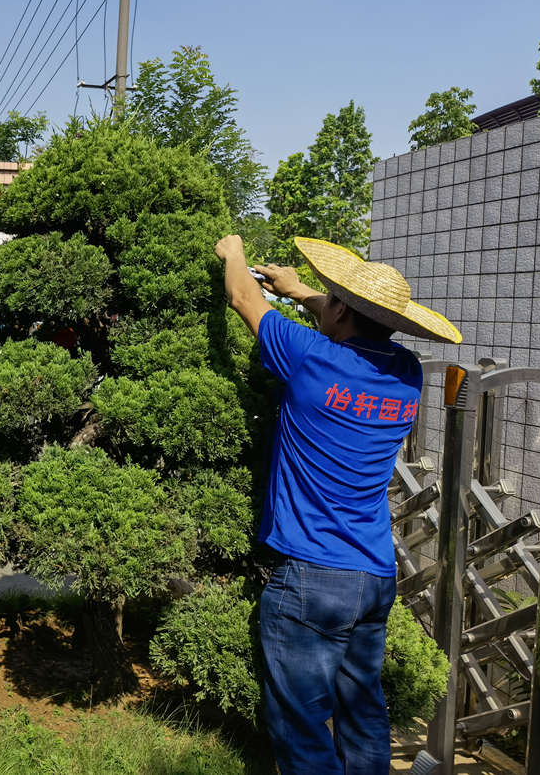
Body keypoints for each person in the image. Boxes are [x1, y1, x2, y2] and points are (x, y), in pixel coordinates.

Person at [214, 234, 461, 775]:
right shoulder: (407, 373)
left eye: (331, 298)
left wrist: (233, 252)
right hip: (373, 574)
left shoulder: (309, 358)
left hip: (312, 576)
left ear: (343, 310)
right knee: (363, 713)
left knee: (301, 729)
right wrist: (301, 289)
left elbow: (241, 299)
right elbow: (344, 319)